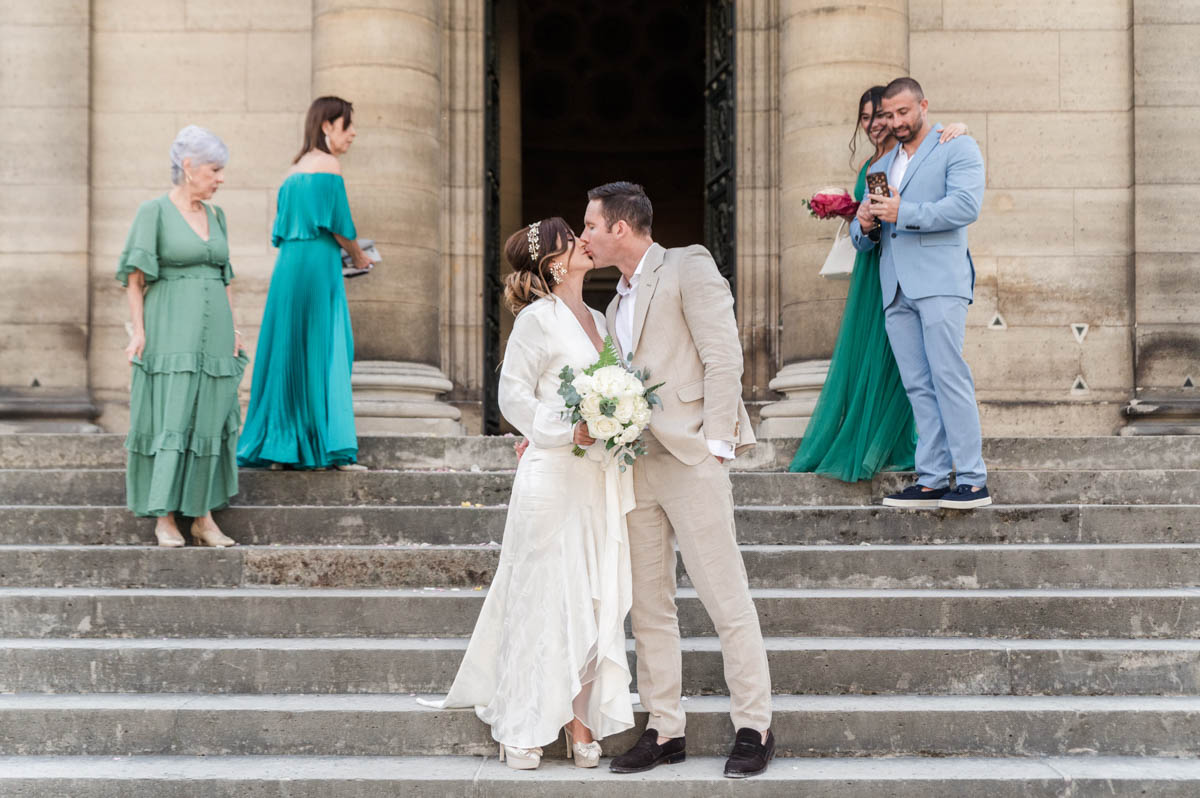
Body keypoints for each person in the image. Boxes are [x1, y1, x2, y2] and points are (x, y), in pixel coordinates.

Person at [580, 182, 774, 779]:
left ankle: (755, 725)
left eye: (590, 224)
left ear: (620, 227)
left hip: (692, 457)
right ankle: (664, 727)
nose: (584, 235)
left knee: (724, 594)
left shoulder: (688, 264)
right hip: (638, 462)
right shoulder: (613, 306)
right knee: (650, 605)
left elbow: (722, 353)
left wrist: (717, 443)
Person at [428, 218, 634, 770]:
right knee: (543, 594)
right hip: (552, 474)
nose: (585, 242)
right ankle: (522, 722)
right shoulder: (536, 321)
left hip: (597, 478)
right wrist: (569, 429)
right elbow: (512, 397)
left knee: (593, 595)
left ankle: (580, 720)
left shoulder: (598, 317)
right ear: (554, 261)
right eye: (574, 238)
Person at [790, 87, 969, 482]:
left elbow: (961, 203)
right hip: (879, 269)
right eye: (869, 117)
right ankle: (913, 462)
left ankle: (956, 469)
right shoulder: (878, 168)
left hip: (921, 274)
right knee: (899, 370)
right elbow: (867, 223)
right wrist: (856, 218)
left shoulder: (938, 147)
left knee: (932, 371)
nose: (877, 124)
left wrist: (957, 128)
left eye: (884, 115)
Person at [851, 76, 991, 509]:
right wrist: (866, 225)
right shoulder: (881, 167)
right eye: (888, 115)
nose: (895, 121)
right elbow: (862, 238)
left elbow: (966, 206)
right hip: (894, 288)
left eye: (903, 112)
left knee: (949, 376)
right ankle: (930, 478)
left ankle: (972, 478)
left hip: (939, 281)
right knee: (917, 385)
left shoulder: (957, 146)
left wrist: (903, 211)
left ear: (923, 106)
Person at [117, 125, 246, 548]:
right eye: (215, 169)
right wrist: (139, 332)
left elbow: (225, 277)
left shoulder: (217, 215)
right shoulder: (153, 212)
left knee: (209, 417)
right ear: (189, 167)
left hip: (215, 330)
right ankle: (165, 518)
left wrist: (234, 325)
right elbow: (134, 280)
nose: (221, 178)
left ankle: (203, 518)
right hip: (171, 324)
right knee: (170, 417)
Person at [237, 96, 373, 471]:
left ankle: (282, 447)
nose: (353, 133)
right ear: (328, 126)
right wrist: (359, 256)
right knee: (327, 345)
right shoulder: (329, 164)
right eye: (348, 126)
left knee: (287, 347)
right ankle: (329, 447)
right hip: (317, 263)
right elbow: (339, 225)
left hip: (290, 266)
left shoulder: (293, 170)